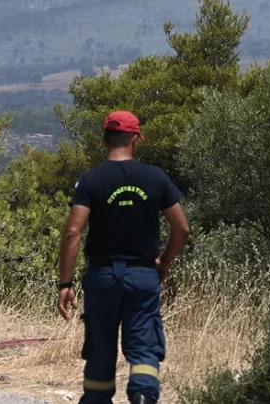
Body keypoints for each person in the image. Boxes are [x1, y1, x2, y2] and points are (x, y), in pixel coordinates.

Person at [56, 110, 190, 404]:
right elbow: (181, 227)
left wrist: (64, 283)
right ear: (135, 140)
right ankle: (142, 396)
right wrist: (164, 261)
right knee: (144, 347)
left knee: (101, 347)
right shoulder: (155, 178)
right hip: (143, 275)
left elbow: (72, 233)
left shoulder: (91, 180)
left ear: (104, 140)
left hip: (102, 277)